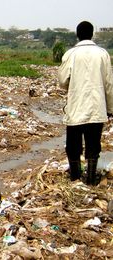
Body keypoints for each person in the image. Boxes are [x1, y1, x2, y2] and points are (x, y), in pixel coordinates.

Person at [58, 21, 113, 185]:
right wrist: (110, 109)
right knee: (93, 145)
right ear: (92, 34)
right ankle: (90, 181)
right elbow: (109, 84)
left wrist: (73, 85)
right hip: (97, 108)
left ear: (77, 35)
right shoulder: (103, 54)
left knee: (73, 145)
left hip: (76, 107)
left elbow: (62, 81)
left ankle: (75, 178)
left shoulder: (70, 54)